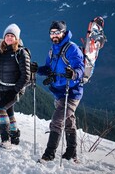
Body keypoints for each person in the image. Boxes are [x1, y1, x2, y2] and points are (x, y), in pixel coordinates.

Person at [33, 20, 84, 161]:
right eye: (52, 33)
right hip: (59, 92)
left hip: (72, 92)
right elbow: (49, 69)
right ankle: (71, 152)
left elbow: (80, 67)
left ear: (63, 33)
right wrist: (38, 69)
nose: (54, 35)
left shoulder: (72, 49)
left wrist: (73, 74)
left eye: (57, 32)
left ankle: (49, 154)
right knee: (69, 122)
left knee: (56, 120)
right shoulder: (53, 50)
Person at [0, 23, 31, 149]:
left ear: (17, 38)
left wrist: (16, 90)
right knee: (9, 111)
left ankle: (5, 139)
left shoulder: (20, 53)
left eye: (12, 36)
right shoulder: (2, 52)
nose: (9, 38)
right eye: (7, 35)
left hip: (14, 89)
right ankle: (14, 136)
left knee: (0, 108)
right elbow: (1, 71)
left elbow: (26, 76)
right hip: (3, 87)